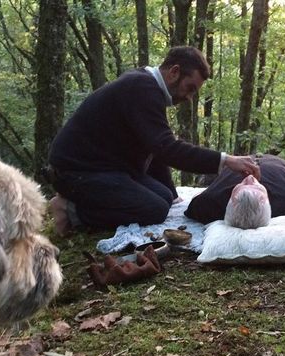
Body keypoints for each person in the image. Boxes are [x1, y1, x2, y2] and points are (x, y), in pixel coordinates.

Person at [48, 46, 260, 236]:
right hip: (77, 171)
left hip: (107, 167)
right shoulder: (141, 88)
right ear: (174, 72)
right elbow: (166, 148)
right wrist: (226, 160)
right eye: (190, 88)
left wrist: (173, 194)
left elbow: (154, 146)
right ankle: (71, 209)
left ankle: (82, 203)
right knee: (153, 209)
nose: (189, 97)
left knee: (164, 197)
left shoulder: (147, 87)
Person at [185, 154, 285, 226]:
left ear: (230, 200)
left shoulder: (209, 202)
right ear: (266, 200)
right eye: (256, 187)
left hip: (246, 159)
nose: (250, 178)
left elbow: (197, 198)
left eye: (242, 186)